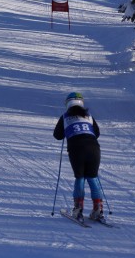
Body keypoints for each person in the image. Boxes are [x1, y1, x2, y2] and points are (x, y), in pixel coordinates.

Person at [53, 91, 103, 222]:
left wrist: (69, 130)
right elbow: (97, 133)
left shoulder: (65, 117)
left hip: (76, 149)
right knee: (93, 177)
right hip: (94, 148)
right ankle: (98, 209)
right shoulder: (89, 116)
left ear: (67, 104)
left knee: (80, 177)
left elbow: (57, 136)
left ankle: (78, 209)